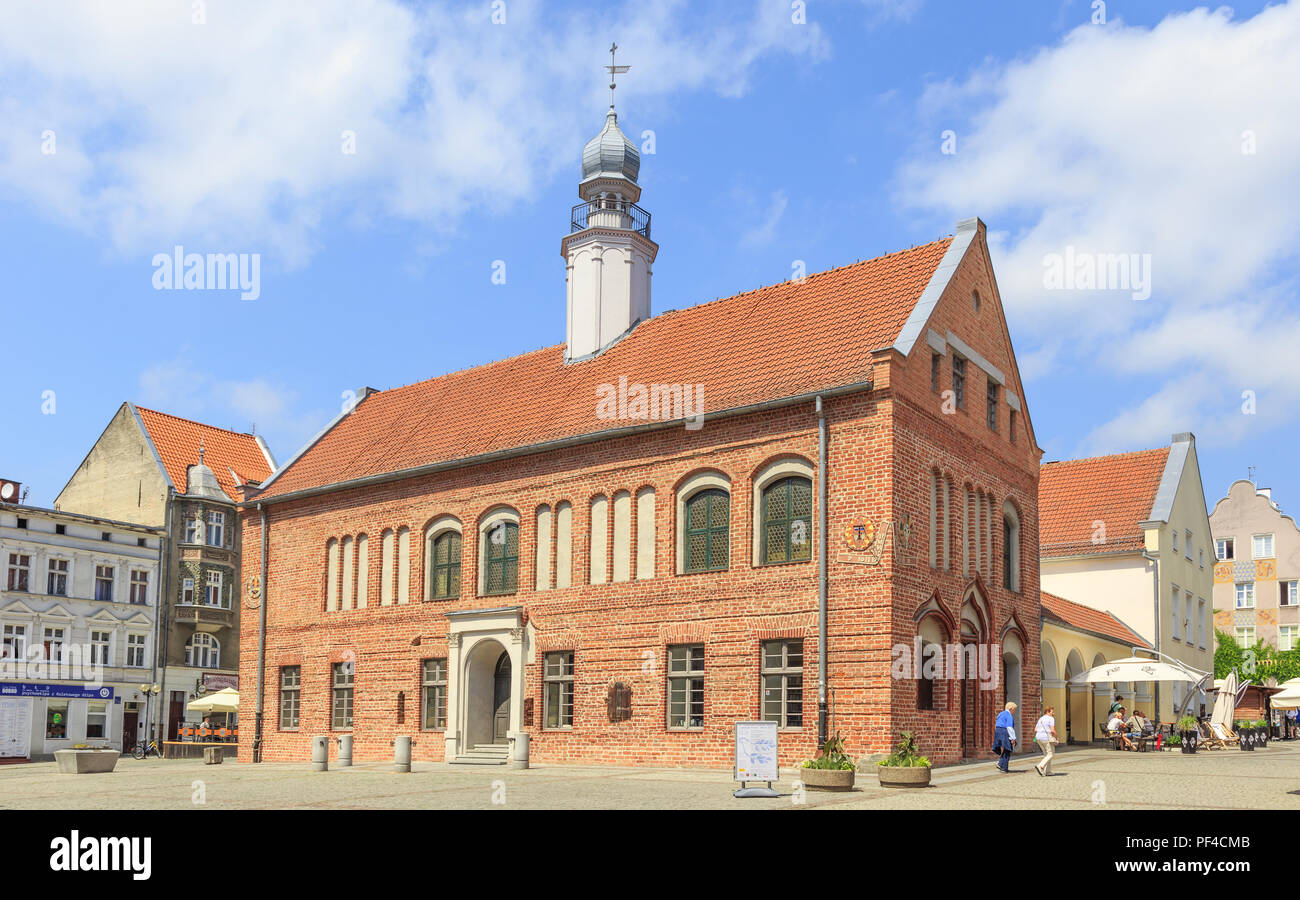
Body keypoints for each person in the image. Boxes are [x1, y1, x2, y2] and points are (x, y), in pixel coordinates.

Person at [992, 701, 1017, 772]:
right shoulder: (1009, 715)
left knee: (1005, 748)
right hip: (1004, 731)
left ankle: (1000, 763)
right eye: (1014, 709)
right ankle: (1004, 767)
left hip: (998, 731)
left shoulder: (1000, 714)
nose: (1014, 711)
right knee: (1008, 749)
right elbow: (1009, 727)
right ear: (1011, 708)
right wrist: (1013, 738)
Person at [1034, 705, 1058, 776]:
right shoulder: (1051, 718)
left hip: (1038, 738)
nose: (1053, 714)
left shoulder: (1040, 719)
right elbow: (1052, 730)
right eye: (1052, 712)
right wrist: (1056, 737)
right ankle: (1040, 766)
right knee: (1051, 754)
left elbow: (1035, 730)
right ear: (1048, 711)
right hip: (1046, 738)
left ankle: (1048, 771)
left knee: (1046, 755)